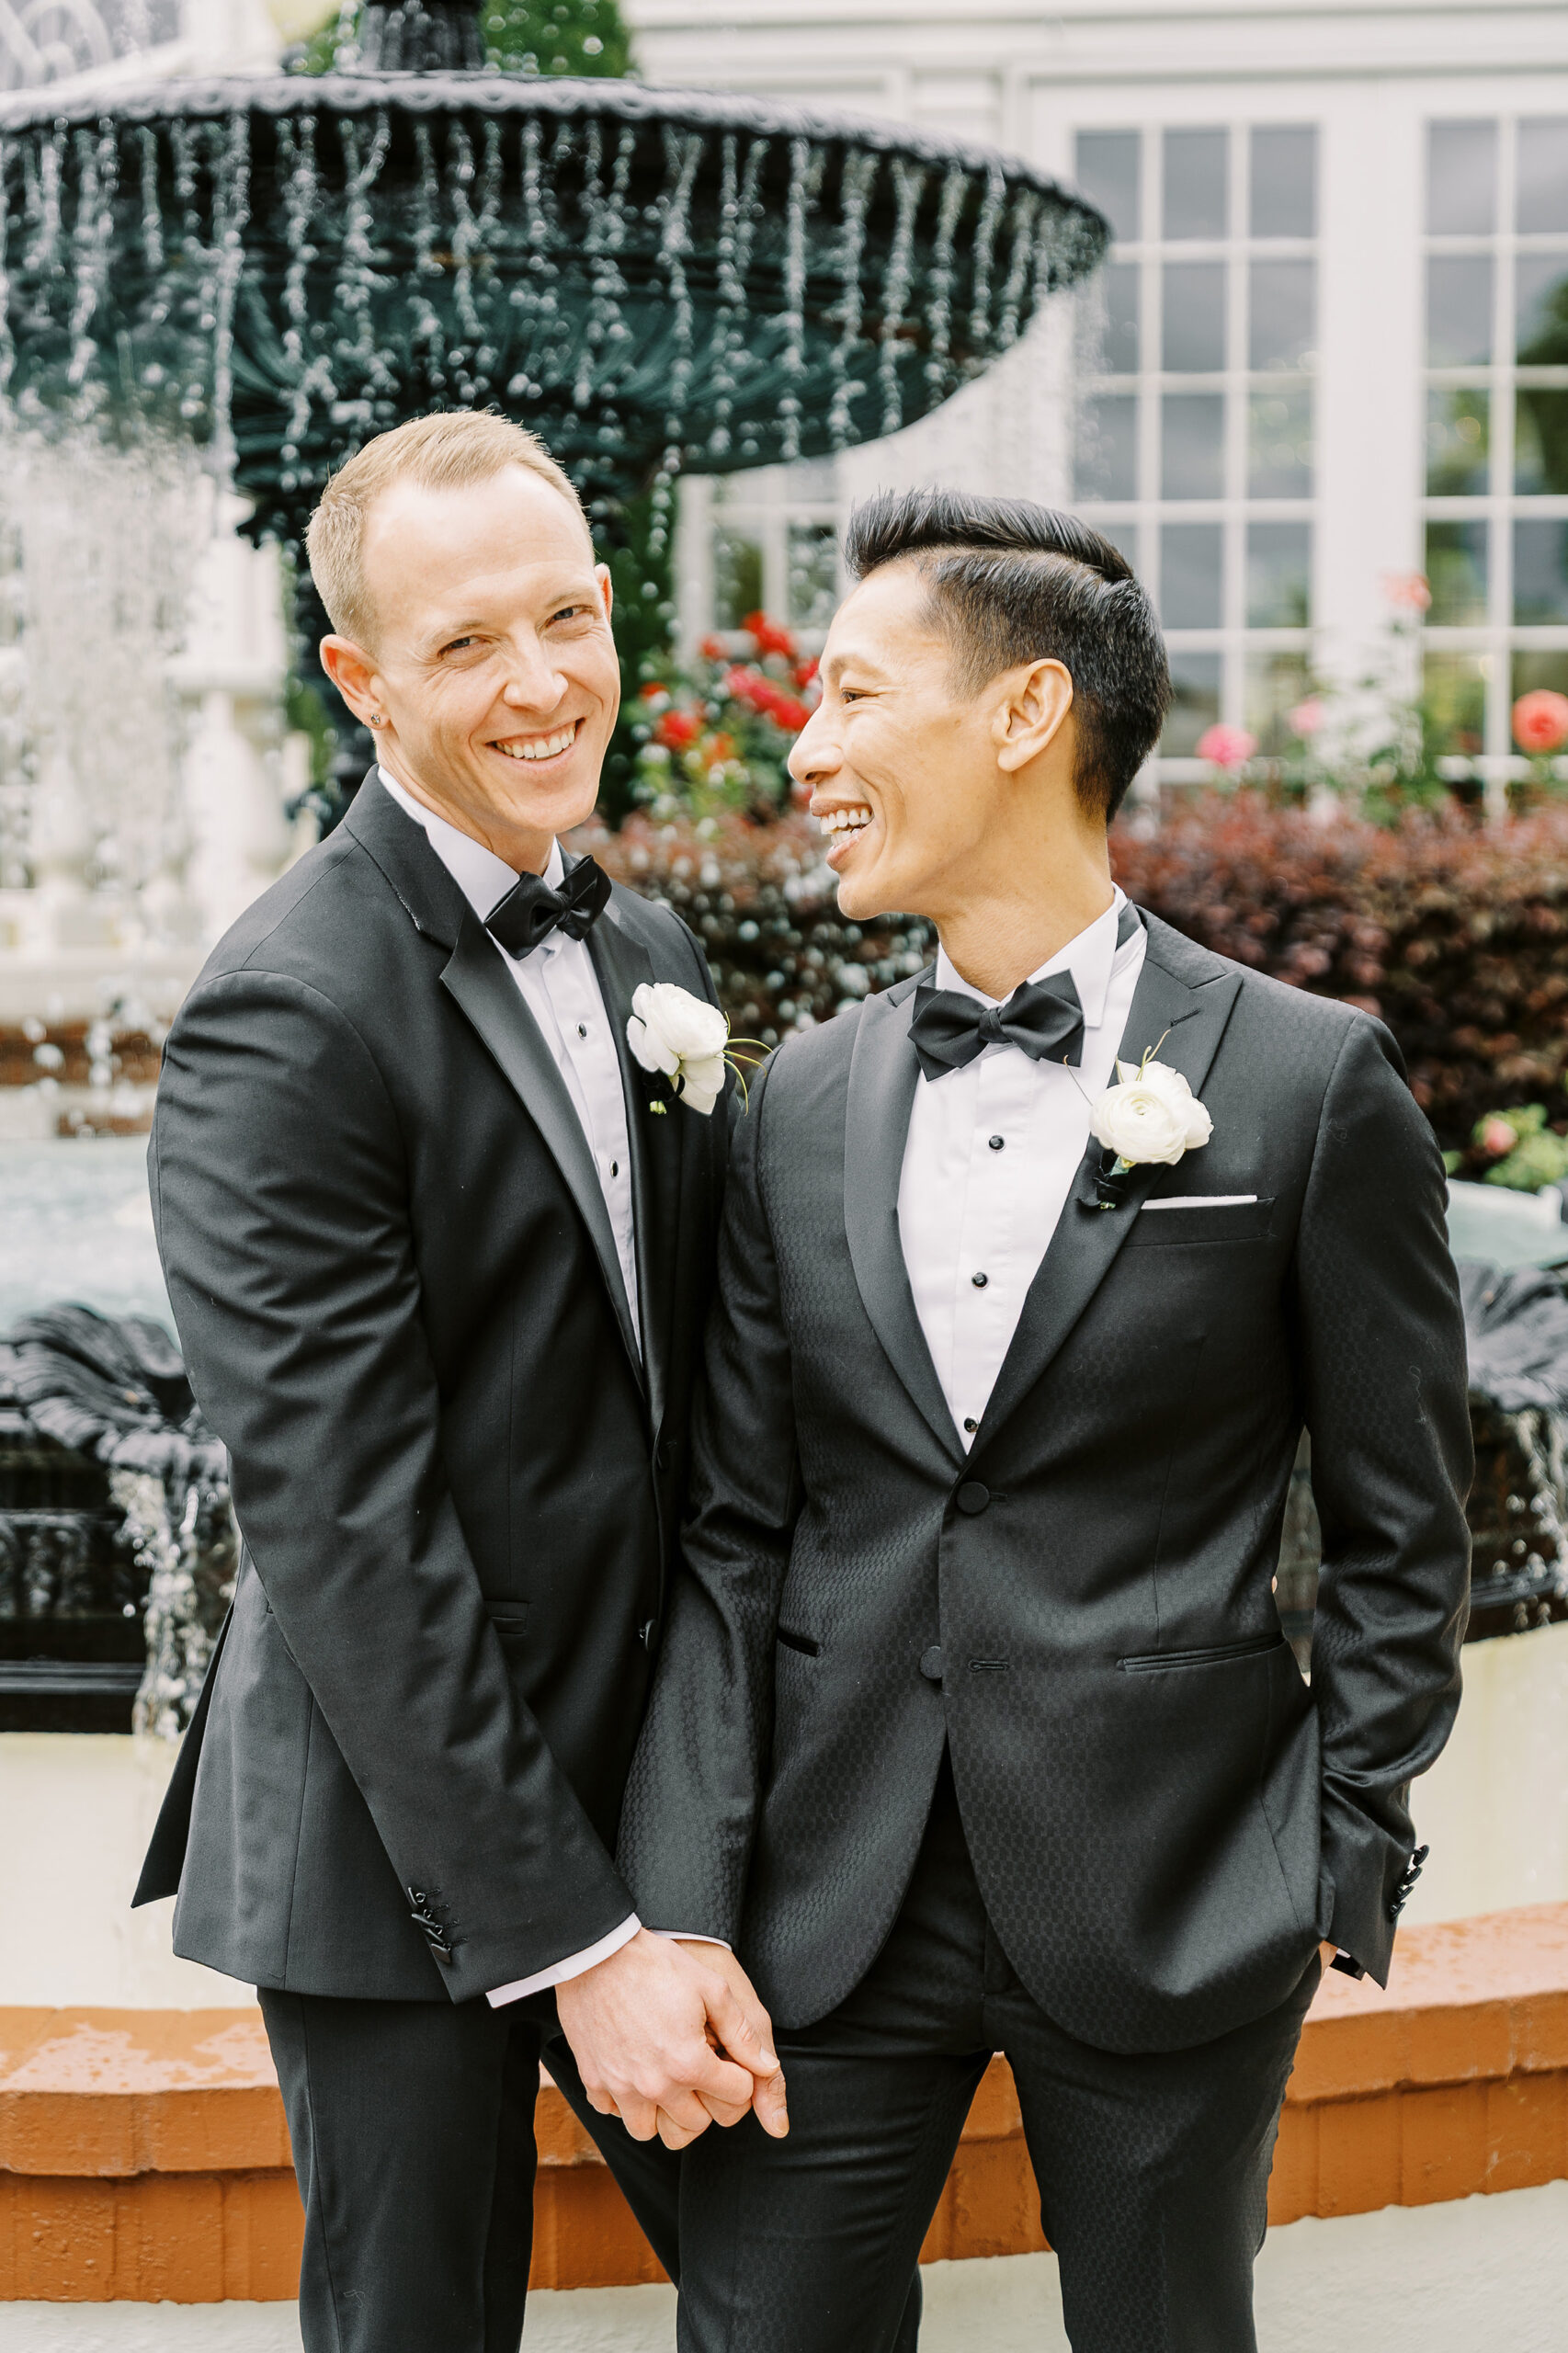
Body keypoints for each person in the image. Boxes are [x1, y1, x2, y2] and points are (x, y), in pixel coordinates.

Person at [570, 489, 1473, 2352]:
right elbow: (736, 1535)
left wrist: (1345, 1832)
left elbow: (1403, 1515)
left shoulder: (1306, 1084)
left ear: (1019, 714)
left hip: (1173, 1884)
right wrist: (681, 1899)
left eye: (847, 696)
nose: (802, 751)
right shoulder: (794, 1101)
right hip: (823, 1898)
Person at [131, 410, 787, 2353]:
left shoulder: (645, 938)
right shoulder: (286, 1006)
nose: (542, 682)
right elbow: (346, 1526)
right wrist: (576, 1937)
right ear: (359, 679)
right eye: (466, 643)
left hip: (655, 1798)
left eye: (569, 616)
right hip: (392, 1837)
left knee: (805, 2285)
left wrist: (689, 1843)